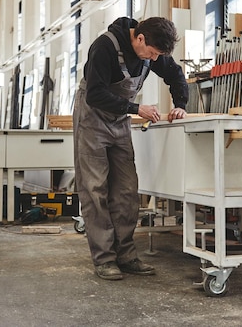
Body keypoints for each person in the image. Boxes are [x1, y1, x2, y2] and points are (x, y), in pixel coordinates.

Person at [72, 16, 189, 281]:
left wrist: (181, 103)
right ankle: (104, 259)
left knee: (126, 190)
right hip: (92, 119)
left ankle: (125, 256)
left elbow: (174, 73)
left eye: (159, 55)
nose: (155, 59)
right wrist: (137, 109)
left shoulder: (152, 52)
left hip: (119, 121)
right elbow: (95, 94)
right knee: (95, 190)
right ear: (140, 38)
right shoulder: (104, 46)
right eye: (153, 53)